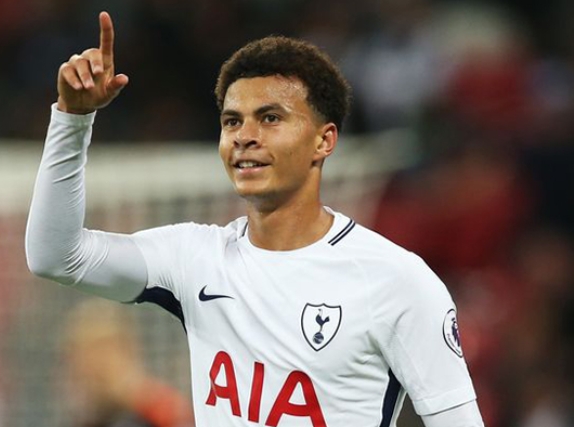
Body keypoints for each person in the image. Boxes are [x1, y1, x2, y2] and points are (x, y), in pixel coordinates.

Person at [26, 11, 485, 427]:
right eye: (232, 121)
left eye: (269, 118)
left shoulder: (396, 280)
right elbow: (56, 256)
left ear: (324, 140)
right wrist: (72, 118)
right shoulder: (195, 258)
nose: (244, 136)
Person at [58, 298, 194, 427]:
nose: (95, 363)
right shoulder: (86, 416)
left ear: (127, 348)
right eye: (86, 353)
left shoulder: (161, 409)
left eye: (103, 349)